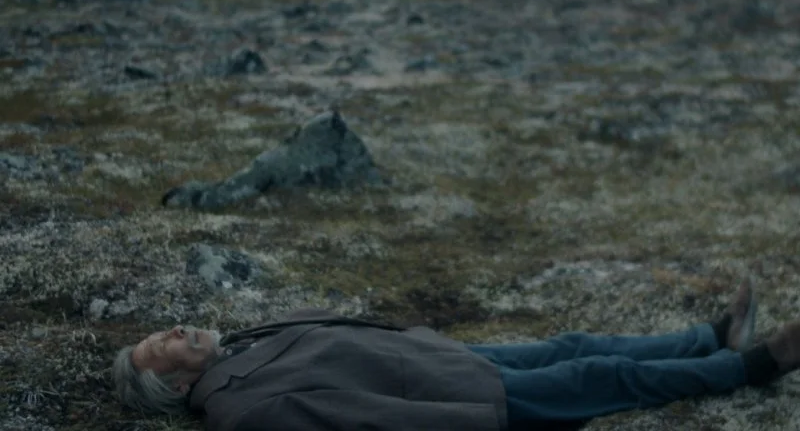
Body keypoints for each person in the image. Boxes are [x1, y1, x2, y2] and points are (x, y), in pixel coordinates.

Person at [112, 276, 800, 431]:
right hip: (461, 398)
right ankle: (751, 366)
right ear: (177, 389)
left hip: (444, 358)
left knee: (573, 345)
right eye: (160, 348)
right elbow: (369, 422)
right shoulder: (241, 409)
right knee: (599, 375)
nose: (172, 331)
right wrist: (470, 420)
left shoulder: (239, 347)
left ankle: (710, 337)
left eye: (160, 332)